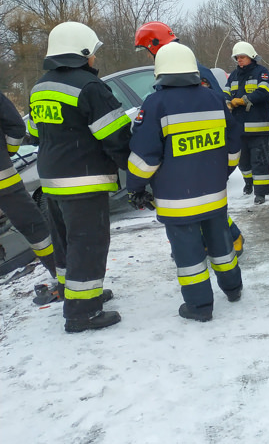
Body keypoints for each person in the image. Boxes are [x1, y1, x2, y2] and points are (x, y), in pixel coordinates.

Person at [126, 42, 243, 322]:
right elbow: (232, 147)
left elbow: (145, 158)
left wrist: (135, 187)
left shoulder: (155, 105)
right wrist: (221, 174)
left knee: (188, 254)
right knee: (221, 244)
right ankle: (234, 288)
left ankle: (200, 307)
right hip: (214, 194)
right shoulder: (214, 100)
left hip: (177, 200)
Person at [28, 21, 131, 332]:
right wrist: (138, 170)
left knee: (67, 243)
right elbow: (115, 136)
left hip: (51, 181)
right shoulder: (89, 87)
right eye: (93, 53)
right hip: (83, 181)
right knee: (88, 243)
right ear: (82, 52)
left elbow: (35, 133)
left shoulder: (39, 88)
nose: (94, 59)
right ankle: (81, 313)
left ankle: (76, 291)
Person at [134, 22, 244, 254]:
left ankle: (231, 240)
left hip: (198, 152)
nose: (147, 57)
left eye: (146, 51)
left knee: (205, 208)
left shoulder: (191, 72)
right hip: (198, 156)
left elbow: (208, 113)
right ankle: (216, 245)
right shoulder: (185, 67)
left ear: (154, 46)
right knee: (205, 207)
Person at [1, 91, 57, 301]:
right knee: (35, 228)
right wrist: (6, 153)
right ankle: (59, 271)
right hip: (4, 180)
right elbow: (16, 127)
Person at [226, 42, 269, 204]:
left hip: (257, 128)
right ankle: (248, 183)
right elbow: (225, 93)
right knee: (243, 162)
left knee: (259, 162)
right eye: (237, 57)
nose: (239, 60)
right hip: (239, 129)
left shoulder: (262, 72)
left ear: (251, 57)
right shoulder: (233, 75)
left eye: (242, 57)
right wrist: (227, 103)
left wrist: (244, 100)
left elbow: (265, 91)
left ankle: (261, 193)